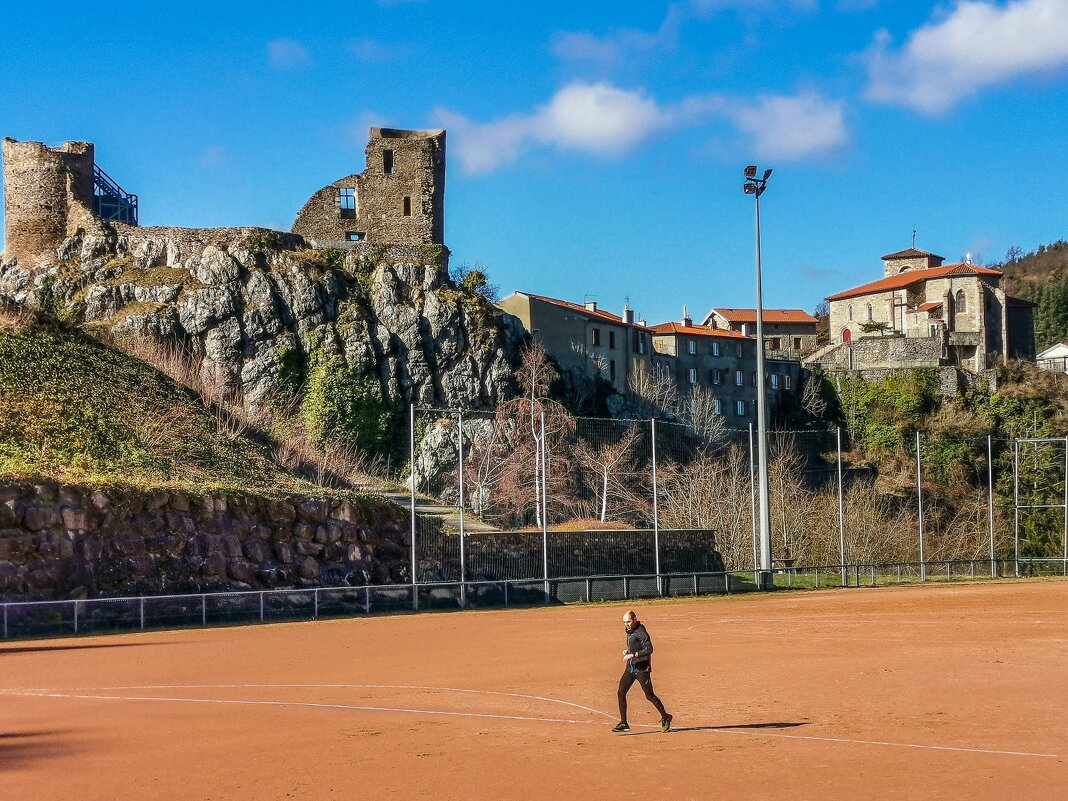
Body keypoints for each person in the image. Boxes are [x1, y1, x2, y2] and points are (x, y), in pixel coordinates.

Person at [612, 610, 672, 733]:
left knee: (649, 695)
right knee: (621, 693)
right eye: (624, 622)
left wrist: (632, 655)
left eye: (628, 621)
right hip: (631, 668)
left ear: (635, 619)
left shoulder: (640, 632)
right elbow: (635, 645)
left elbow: (649, 649)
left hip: (642, 669)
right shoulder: (630, 631)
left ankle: (666, 717)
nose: (626, 624)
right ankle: (624, 723)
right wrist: (628, 651)